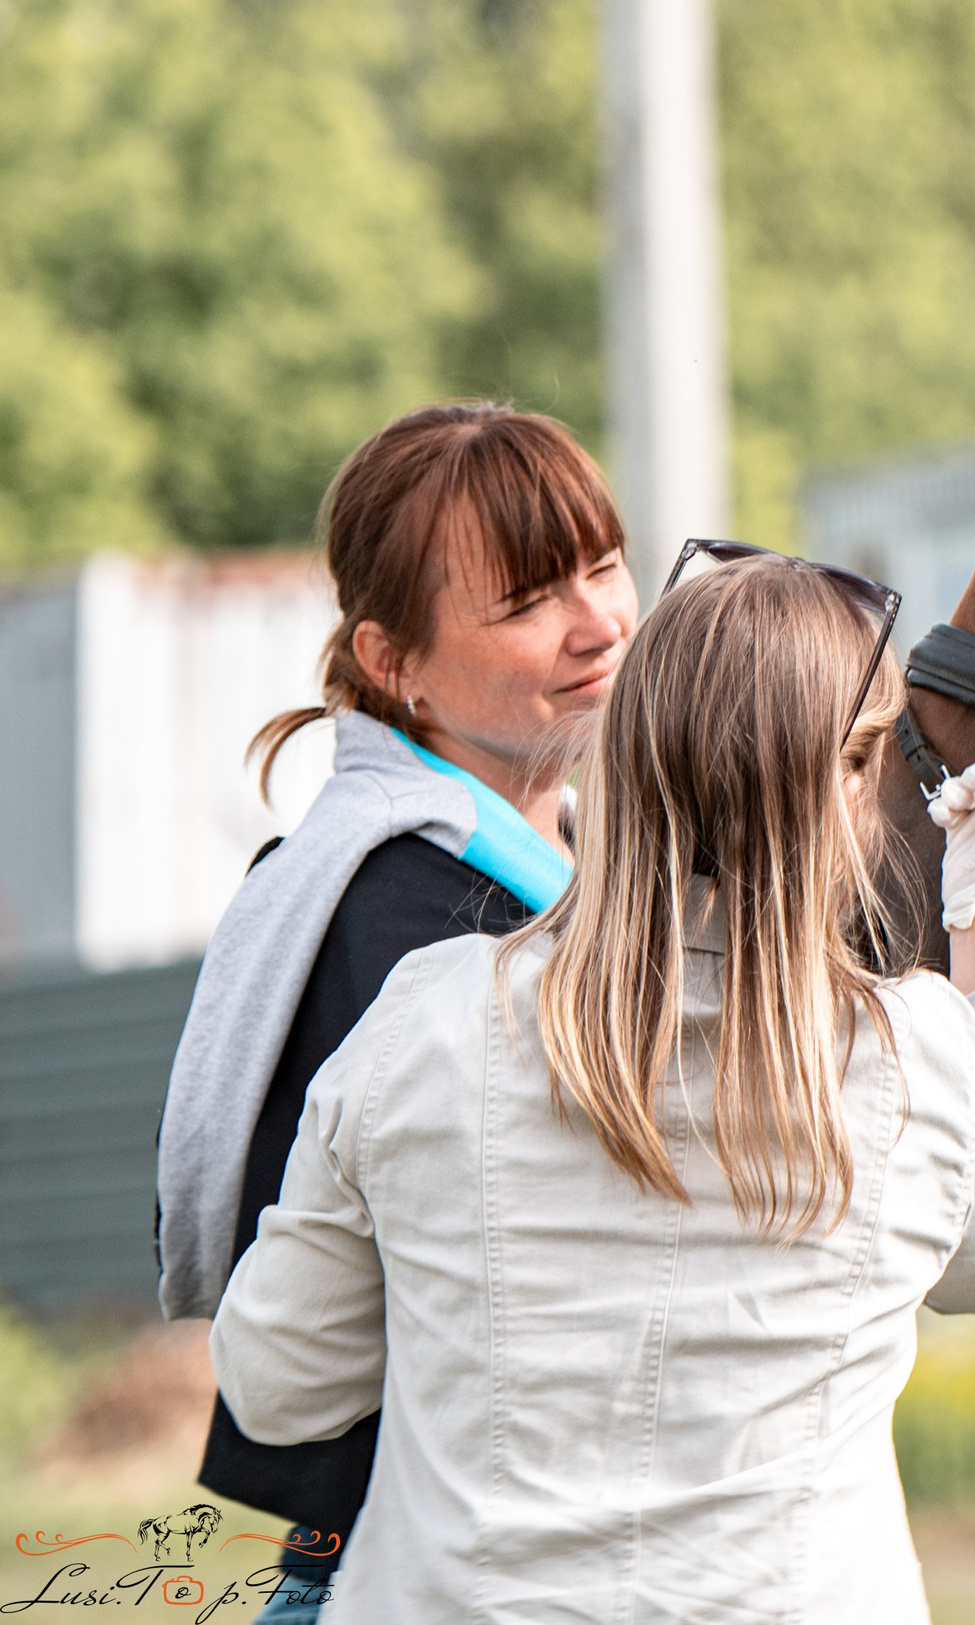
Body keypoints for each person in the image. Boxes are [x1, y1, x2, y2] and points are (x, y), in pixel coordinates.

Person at [208, 551, 975, 1621]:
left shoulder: (423, 1018)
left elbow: (279, 1386)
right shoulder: (918, 1054)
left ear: (619, 753)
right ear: (852, 777)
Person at [157, 402, 638, 1616]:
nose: (598, 626)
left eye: (603, 565)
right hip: (426, 1572)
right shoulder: (413, 914)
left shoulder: (548, 869)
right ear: (395, 662)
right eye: (529, 601)